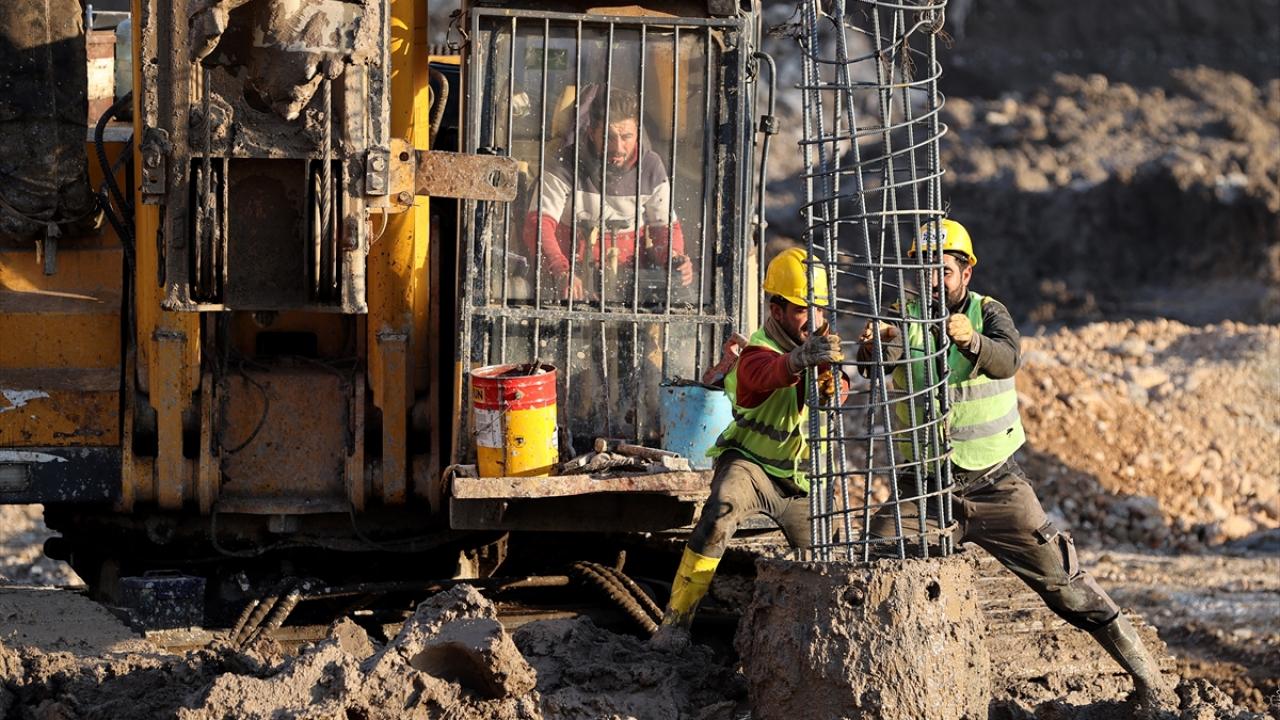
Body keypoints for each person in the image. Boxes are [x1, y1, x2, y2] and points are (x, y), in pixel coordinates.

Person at [859, 218, 1174, 713]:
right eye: (921, 270)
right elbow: (879, 363)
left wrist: (971, 342)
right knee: (872, 569)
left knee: (1065, 586)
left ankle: (1150, 682)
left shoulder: (989, 312)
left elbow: (1008, 360)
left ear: (965, 271)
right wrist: (874, 347)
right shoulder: (902, 316)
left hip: (996, 486)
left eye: (941, 270)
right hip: (923, 489)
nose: (931, 280)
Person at [651, 247, 846, 648]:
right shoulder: (758, 350)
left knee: (829, 560)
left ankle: (828, 638)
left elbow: (831, 396)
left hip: (801, 481)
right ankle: (676, 623)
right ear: (776, 311)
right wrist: (797, 363)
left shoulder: (822, 348)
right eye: (802, 309)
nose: (815, 319)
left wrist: (833, 384)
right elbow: (762, 375)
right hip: (752, 466)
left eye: (821, 308)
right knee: (720, 510)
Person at [522, 87, 693, 442]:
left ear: (637, 132)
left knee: (639, 366)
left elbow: (665, 232)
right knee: (571, 365)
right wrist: (562, 269)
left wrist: (676, 260)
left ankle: (638, 432)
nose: (618, 147)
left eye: (627, 136)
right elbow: (538, 226)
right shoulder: (564, 164)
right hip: (572, 288)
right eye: (609, 135)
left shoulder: (651, 167)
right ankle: (569, 432)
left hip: (629, 287)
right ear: (591, 130)